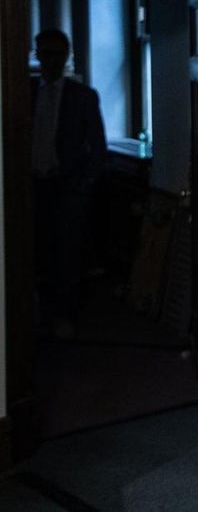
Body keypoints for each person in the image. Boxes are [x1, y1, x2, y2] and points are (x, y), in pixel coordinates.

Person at [31, 28, 107, 340]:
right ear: (37, 55)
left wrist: (83, 185)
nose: (50, 61)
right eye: (44, 53)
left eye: (56, 54)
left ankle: (65, 316)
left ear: (66, 56)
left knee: (67, 254)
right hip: (33, 186)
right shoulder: (23, 92)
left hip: (67, 186)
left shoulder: (82, 97)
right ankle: (36, 318)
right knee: (36, 251)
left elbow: (98, 147)